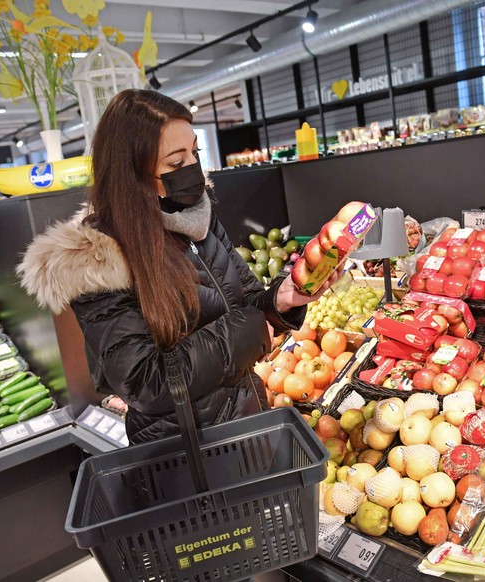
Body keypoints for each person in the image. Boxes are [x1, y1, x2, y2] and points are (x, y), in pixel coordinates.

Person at [17, 89, 336, 444]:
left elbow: (244, 305)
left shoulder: (197, 220)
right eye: (175, 162)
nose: (192, 169)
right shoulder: (100, 259)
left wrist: (281, 300)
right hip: (187, 452)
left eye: (194, 153)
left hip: (244, 419)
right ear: (131, 172)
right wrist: (250, 329)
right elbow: (144, 383)